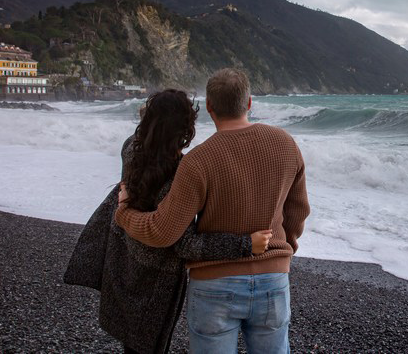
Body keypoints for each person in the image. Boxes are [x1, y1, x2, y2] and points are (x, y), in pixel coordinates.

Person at [116, 69, 310, 354]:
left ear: (209, 107)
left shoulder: (197, 161)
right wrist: (282, 251)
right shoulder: (285, 144)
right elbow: (298, 211)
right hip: (273, 279)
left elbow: (162, 231)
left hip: (214, 285)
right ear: (249, 103)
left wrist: (123, 213)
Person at [65, 89, 273, 354]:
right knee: (148, 346)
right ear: (187, 128)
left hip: (122, 256)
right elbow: (185, 245)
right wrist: (245, 244)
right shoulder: (181, 173)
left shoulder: (131, 148)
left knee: (131, 341)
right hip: (157, 275)